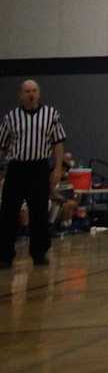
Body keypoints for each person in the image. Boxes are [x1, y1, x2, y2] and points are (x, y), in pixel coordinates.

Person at [0, 80, 67, 268]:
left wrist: (57, 168)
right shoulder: (10, 117)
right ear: (20, 95)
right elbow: (2, 144)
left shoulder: (51, 114)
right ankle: (5, 255)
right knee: (9, 212)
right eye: (27, 91)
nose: (31, 94)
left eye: (34, 90)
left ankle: (39, 253)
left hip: (39, 168)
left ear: (39, 93)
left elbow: (58, 143)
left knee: (39, 213)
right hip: (17, 168)